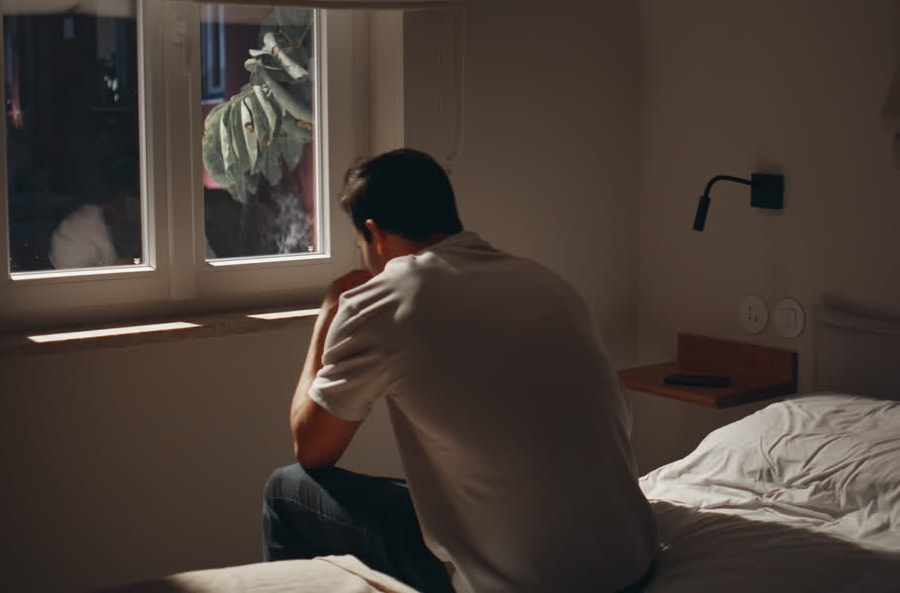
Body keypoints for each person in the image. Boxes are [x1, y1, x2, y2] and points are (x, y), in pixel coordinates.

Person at [261, 149, 657, 593]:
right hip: (631, 563)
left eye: (361, 247)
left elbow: (311, 448)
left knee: (286, 489)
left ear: (375, 234)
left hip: (525, 582)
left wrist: (326, 319)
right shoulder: (548, 283)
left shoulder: (384, 302)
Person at [49, 157, 142, 269]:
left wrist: (136, 262)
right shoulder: (72, 234)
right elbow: (75, 284)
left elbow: (140, 261)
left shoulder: (153, 221)